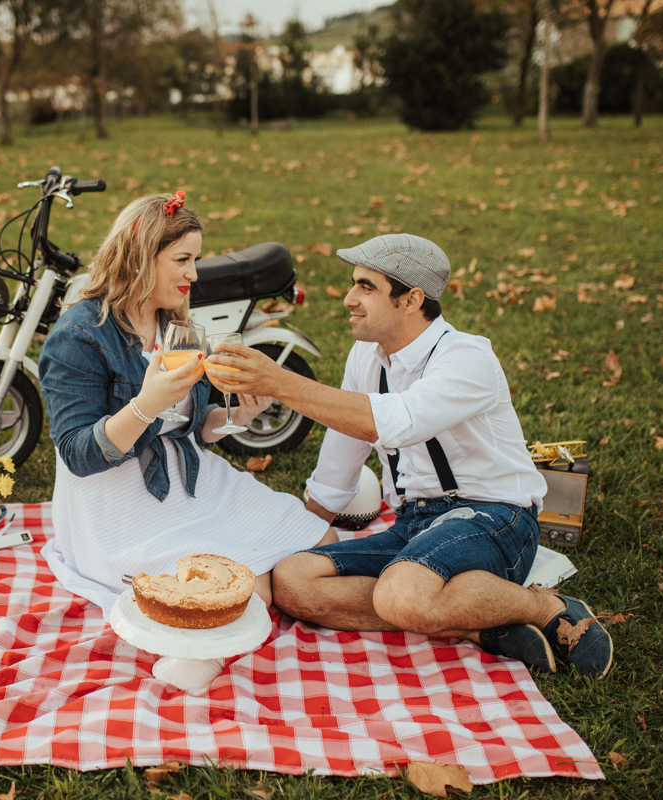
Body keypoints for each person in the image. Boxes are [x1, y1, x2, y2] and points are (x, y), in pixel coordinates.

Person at [205, 233, 613, 678]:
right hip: (414, 523)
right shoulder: (366, 357)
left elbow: (395, 420)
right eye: (354, 285)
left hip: (493, 517)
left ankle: (542, 607)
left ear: (412, 299)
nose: (349, 299)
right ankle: (479, 626)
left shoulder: (466, 358)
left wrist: (279, 381)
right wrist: (307, 528)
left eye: (366, 287)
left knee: (400, 594)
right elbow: (345, 445)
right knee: (294, 580)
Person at [37, 192, 336, 613]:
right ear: (139, 258)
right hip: (121, 504)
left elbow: (191, 427)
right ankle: (199, 646)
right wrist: (145, 404)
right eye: (182, 260)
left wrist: (240, 414)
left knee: (320, 539)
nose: (194, 274)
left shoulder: (174, 322)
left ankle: (250, 578)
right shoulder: (79, 336)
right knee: (246, 595)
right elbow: (78, 455)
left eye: (195, 260)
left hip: (192, 482)